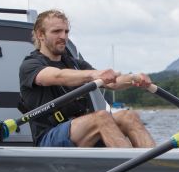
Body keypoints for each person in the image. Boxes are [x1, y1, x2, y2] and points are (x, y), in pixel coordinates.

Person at [19, 9, 155, 148]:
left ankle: (154, 165)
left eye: (66, 32)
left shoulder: (76, 64)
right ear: (40, 35)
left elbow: (112, 84)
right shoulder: (30, 65)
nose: (63, 36)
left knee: (129, 116)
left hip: (83, 130)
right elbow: (56, 76)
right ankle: (129, 165)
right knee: (102, 117)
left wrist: (135, 78)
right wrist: (93, 75)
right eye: (57, 31)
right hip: (49, 137)